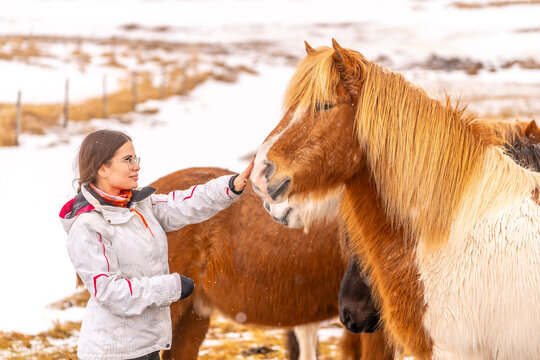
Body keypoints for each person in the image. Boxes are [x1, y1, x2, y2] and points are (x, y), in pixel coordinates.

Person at [59, 129, 253, 360]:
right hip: (113, 352)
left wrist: (231, 186)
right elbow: (109, 292)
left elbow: (183, 203)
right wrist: (170, 288)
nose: (136, 166)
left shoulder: (138, 205)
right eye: (127, 160)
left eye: (135, 158)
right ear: (103, 168)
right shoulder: (88, 225)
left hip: (146, 346)